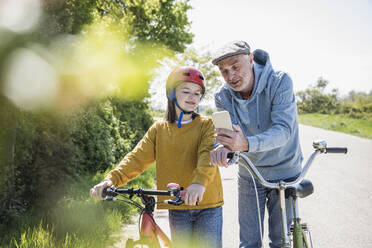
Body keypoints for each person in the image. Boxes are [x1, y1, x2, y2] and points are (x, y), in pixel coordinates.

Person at [90, 66, 224, 248]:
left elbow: (206, 155)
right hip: (177, 205)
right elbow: (137, 158)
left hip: (207, 204)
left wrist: (199, 183)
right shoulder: (159, 129)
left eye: (197, 93)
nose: (193, 97)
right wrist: (110, 180)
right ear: (171, 93)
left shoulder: (206, 125)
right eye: (186, 91)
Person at [209, 41, 303, 248]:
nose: (231, 76)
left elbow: (284, 131)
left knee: (281, 241)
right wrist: (224, 148)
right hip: (250, 173)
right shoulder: (222, 96)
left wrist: (246, 144)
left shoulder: (280, 81)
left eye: (235, 67)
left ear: (251, 59)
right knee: (249, 242)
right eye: (224, 71)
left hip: (285, 170)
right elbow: (230, 137)